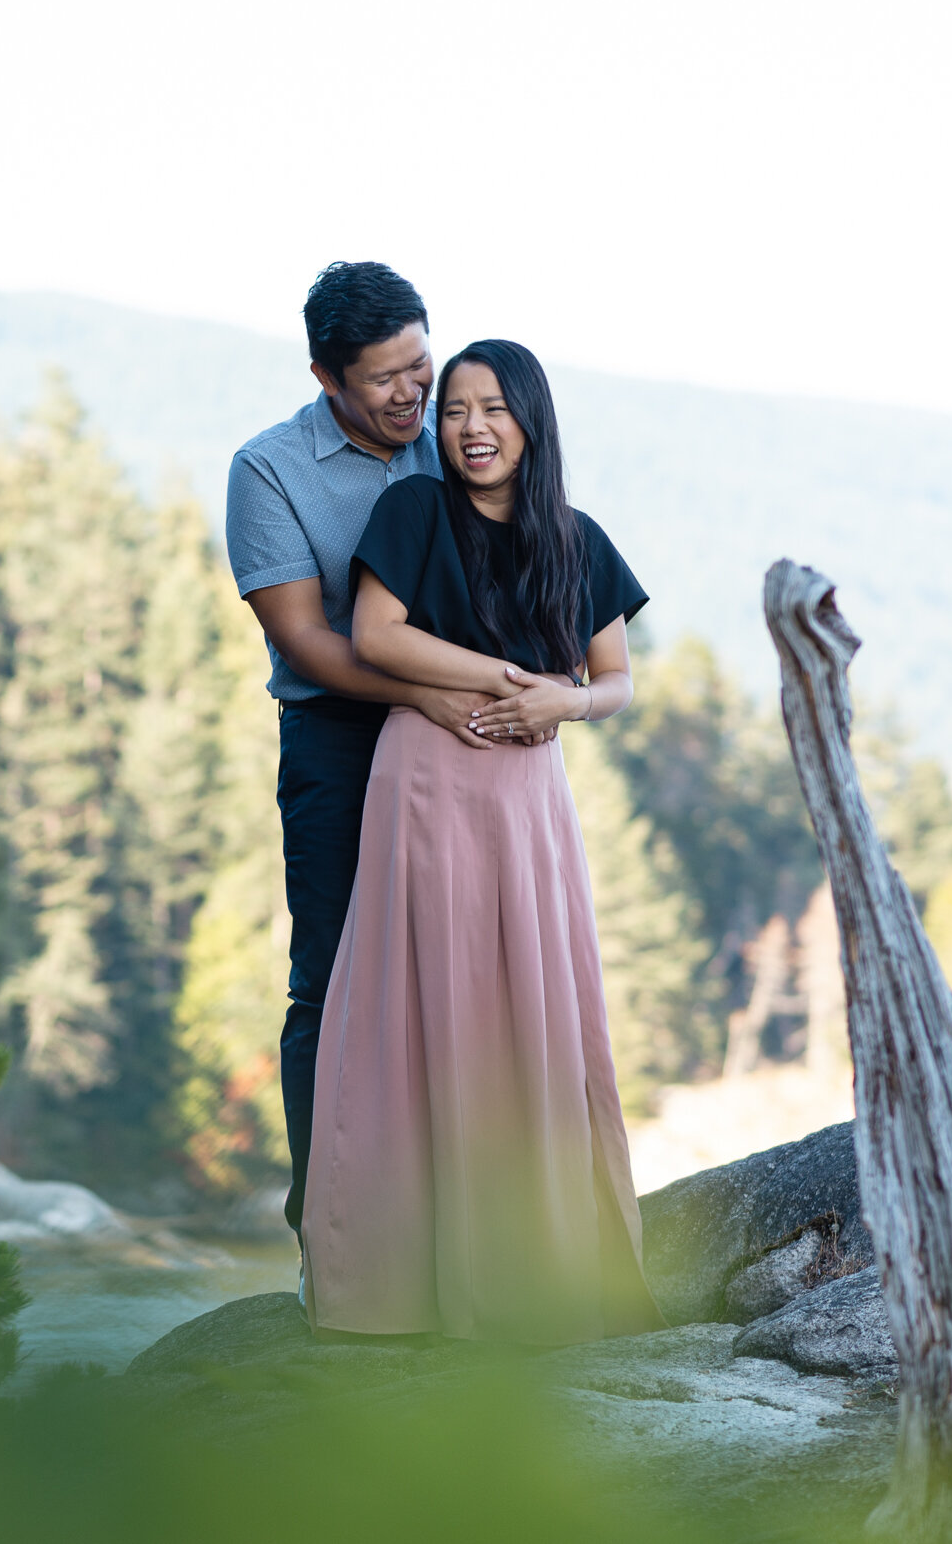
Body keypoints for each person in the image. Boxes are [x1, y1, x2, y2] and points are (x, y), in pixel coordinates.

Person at [301, 338, 662, 1342]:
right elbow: (376, 635)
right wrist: (507, 680)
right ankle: (404, 1280)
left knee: (539, 1009)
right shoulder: (413, 512)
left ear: (529, 421)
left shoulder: (576, 538)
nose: (469, 427)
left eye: (492, 408)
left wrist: (568, 702)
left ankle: (542, 1268)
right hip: (425, 776)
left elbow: (618, 680)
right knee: (422, 1010)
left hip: (528, 795)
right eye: (453, 408)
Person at [224, 263, 507, 1231]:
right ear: (324, 375)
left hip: (469, 744)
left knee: (466, 977)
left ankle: (457, 1224)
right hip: (338, 743)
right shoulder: (268, 470)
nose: (412, 394)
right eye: (385, 377)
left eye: (421, 366)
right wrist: (430, 692)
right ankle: (331, 1226)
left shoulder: (456, 443)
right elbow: (304, 640)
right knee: (335, 979)